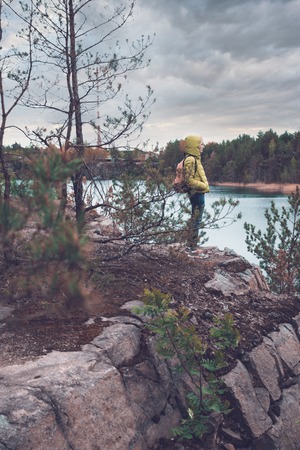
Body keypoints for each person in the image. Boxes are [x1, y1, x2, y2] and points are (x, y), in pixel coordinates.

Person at [183, 134, 209, 256]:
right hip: (196, 193)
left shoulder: (194, 159)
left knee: (196, 219)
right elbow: (189, 180)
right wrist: (203, 186)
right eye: (201, 144)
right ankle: (192, 248)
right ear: (195, 146)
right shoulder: (191, 160)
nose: (203, 146)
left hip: (198, 193)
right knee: (196, 220)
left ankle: (191, 245)